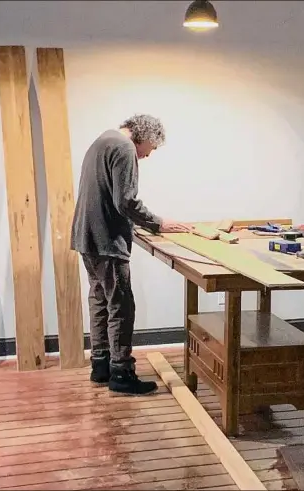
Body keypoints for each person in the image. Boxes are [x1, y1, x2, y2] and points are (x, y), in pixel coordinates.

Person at [71, 114, 192, 395]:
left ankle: (101, 366)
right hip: (106, 240)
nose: (149, 155)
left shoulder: (102, 139)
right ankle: (122, 373)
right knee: (121, 306)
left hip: (86, 235)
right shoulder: (124, 148)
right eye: (152, 148)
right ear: (145, 136)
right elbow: (125, 200)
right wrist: (158, 222)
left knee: (100, 300)